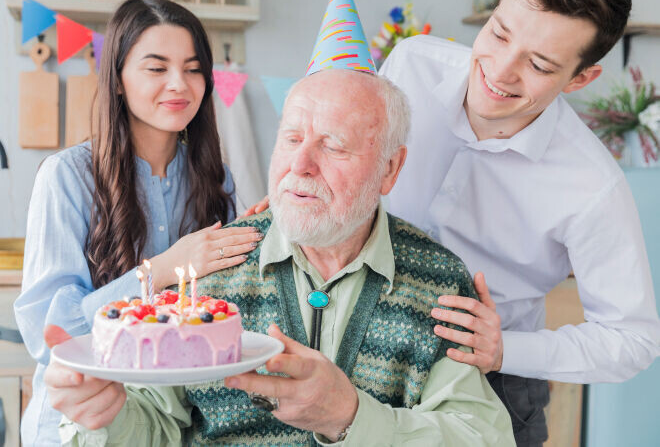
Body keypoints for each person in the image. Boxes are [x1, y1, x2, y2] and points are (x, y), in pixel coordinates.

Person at [45, 66, 516, 446]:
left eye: (333, 145)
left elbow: (482, 438)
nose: (300, 165)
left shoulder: (440, 282)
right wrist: (107, 418)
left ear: (390, 168)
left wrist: (350, 417)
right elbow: (155, 427)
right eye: (291, 139)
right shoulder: (213, 268)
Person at [378, 0, 660, 445]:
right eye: (500, 34)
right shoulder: (411, 65)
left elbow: (633, 340)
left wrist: (506, 348)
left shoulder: (593, 186)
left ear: (580, 78)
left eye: (539, 64)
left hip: (493, 385)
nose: (501, 72)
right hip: (364, 347)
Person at [13, 0, 263, 447]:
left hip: (174, 428)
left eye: (192, 68)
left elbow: (228, 302)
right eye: (156, 67)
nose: (179, 84)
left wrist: (264, 233)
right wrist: (161, 269)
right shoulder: (67, 176)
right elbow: (51, 335)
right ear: (119, 80)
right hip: (79, 428)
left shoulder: (216, 179)